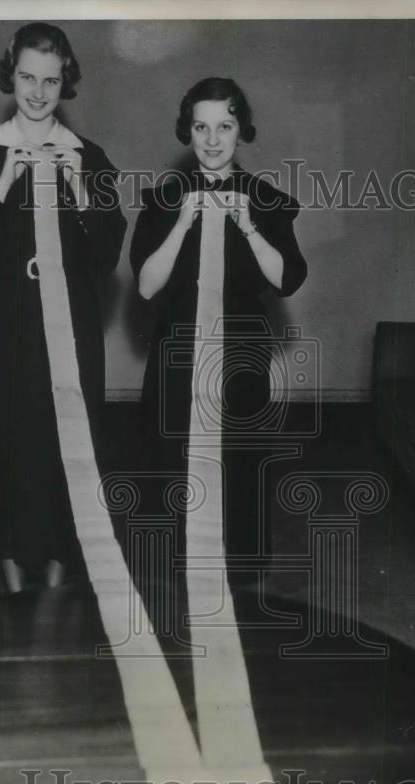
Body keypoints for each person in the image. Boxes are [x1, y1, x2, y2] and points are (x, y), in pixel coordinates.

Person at [0, 22, 126, 592]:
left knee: (67, 438)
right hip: (6, 313)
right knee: (6, 437)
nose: (38, 93)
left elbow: (106, 256)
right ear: (10, 76)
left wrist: (83, 192)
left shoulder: (88, 157)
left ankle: (60, 570)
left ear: (65, 80)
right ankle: (13, 579)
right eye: (27, 77)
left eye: (50, 79)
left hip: (71, 313)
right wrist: (2, 184)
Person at [129, 77, 307, 589]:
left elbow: (287, 279)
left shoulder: (265, 198)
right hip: (178, 354)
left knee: (241, 467)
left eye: (224, 126)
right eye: (201, 127)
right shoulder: (165, 199)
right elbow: (145, 287)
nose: (212, 140)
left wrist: (249, 226)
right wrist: (183, 223)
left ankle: (243, 588)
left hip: (241, 357)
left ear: (240, 130)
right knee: (173, 465)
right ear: (187, 131)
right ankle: (174, 585)